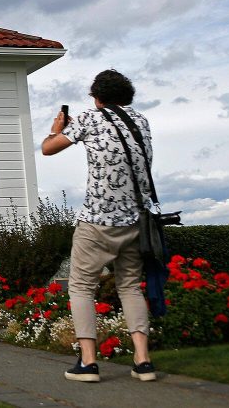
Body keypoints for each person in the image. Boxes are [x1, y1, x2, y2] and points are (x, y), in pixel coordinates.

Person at [41, 69, 157, 383]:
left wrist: (56, 129)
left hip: (96, 221)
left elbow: (48, 149)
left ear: (98, 97)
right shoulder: (141, 122)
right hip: (136, 220)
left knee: (80, 287)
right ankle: (143, 361)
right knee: (130, 287)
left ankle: (89, 363)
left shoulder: (91, 119)